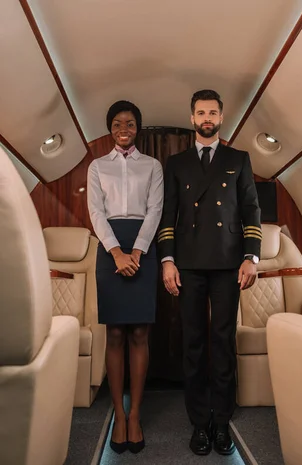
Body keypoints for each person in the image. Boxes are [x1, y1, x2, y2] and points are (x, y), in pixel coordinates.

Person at [158, 89, 261, 456]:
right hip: (187, 262)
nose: (206, 118)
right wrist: (167, 260)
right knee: (193, 342)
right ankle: (199, 422)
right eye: (200, 112)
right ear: (192, 118)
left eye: (212, 112)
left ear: (221, 117)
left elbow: (251, 209)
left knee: (222, 341)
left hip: (228, 260)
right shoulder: (177, 163)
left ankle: (222, 422)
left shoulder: (239, 158)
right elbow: (168, 214)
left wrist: (252, 256)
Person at [87, 101, 163, 454]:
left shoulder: (153, 166)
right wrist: (117, 252)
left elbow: (155, 210)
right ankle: (119, 413)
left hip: (143, 250)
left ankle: (135, 414)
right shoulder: (96, 166)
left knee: (140, 333)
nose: (123, 128)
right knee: (115, 332)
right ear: (110, 128)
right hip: (109, 249)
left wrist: (138, 251)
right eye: (117, 123)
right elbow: (96, 212)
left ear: (138, 128)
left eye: (130, 123)